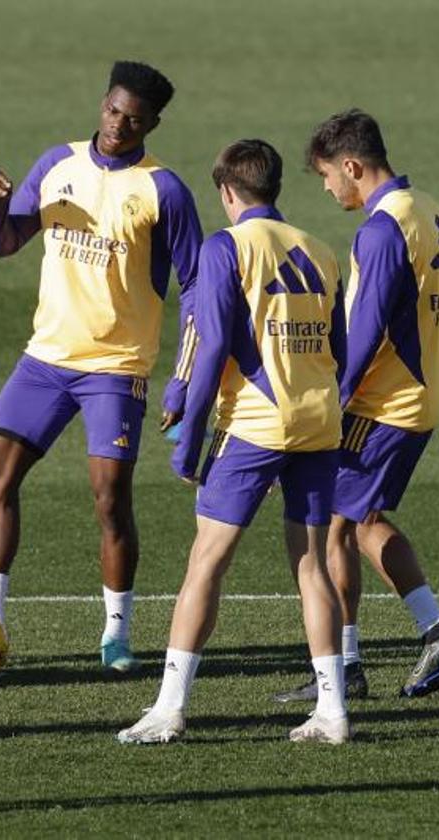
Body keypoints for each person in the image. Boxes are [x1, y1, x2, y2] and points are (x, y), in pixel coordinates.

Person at [0, 60, 202, 671]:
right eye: (113, 110)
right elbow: (6, 242)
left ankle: (116, 632)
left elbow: (198, 287)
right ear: (102, 103)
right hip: (45, 359)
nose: (119, 125)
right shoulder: (57, 165)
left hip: (115, 369)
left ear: (153, 123)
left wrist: (184, 375)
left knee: (108, 498)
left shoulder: (163, 190)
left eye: (135, 119)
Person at [119, 139, 352, 745]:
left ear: (226, 192)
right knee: (311, 565)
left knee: (207, 563)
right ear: (274, 187)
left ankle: (169, 707)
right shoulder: (322, 250)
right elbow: (342, 349)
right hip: (320, 422)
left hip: (255, 426)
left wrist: (187, 441)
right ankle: (333, 711)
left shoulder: (227, 248)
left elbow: (213, 345)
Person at [273, 110, 439, 703]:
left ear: (352, 166)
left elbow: (367, 330)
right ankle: (351, 661)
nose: (328, 188)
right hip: (421, 394)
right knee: (345, 524)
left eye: (329, 175)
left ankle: (430, 631)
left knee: (347, 525)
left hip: (384, 404)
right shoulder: (429, 208)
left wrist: (331, 399)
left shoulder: (381, 231)